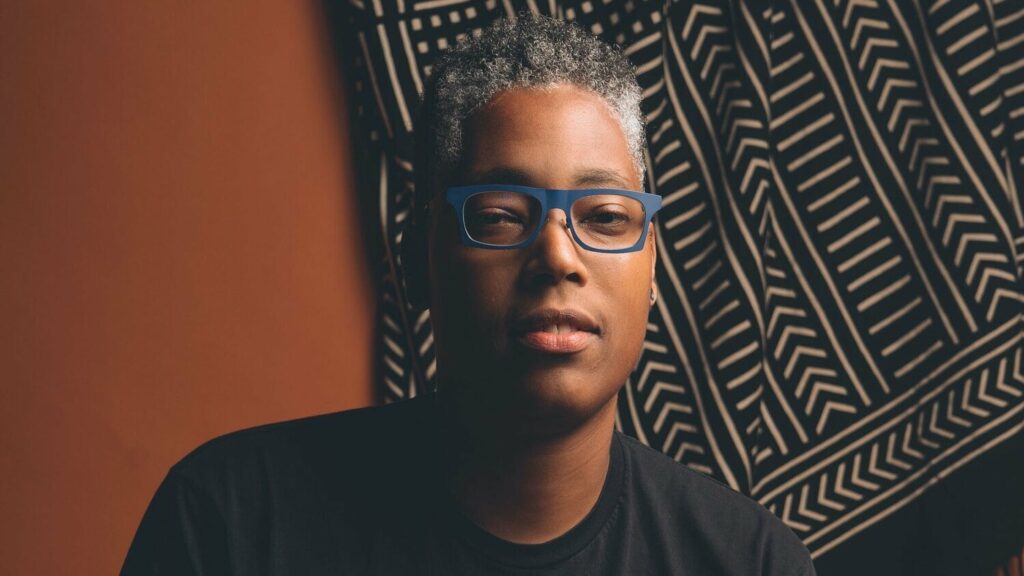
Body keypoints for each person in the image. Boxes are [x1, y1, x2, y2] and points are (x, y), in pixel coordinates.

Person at [122, 14, 816, 575]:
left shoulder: (749, 561)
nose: (557, 255)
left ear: (653, 269)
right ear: (417, 260)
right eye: (499, 216)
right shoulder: (232, 524)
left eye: (606, 216)